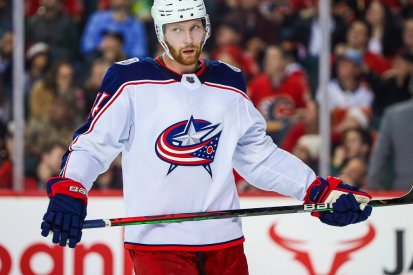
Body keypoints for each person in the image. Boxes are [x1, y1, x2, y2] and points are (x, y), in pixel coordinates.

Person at [40, 1, 372, 274]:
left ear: (206, 28)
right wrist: (72, 188)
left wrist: (317, 190)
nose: (188, 38)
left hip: (225, 243)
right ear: (161, 32)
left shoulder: (228, 81)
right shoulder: (130, 80)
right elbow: (93, 144)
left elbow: (259, 157)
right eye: (177, 29)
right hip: (158, 246)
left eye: (195, 27)